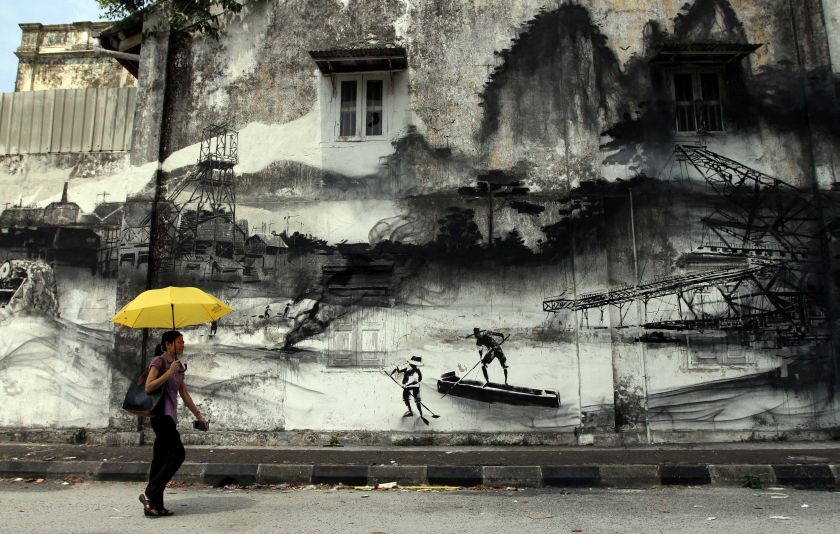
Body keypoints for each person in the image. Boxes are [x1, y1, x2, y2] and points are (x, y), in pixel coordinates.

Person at [139, 330, 207, 517]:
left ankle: (155, 507)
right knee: (178, 455)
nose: (182, 345)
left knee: (160, 461)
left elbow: (183, 393)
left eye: (183, 341)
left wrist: (199, 415)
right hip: (160, 416)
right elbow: (149, 386)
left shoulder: (178, 366)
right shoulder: (159, 362)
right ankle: (149, 493)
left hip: (170, 417)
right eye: (178, 342)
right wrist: (169, 372)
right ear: (168, 344)